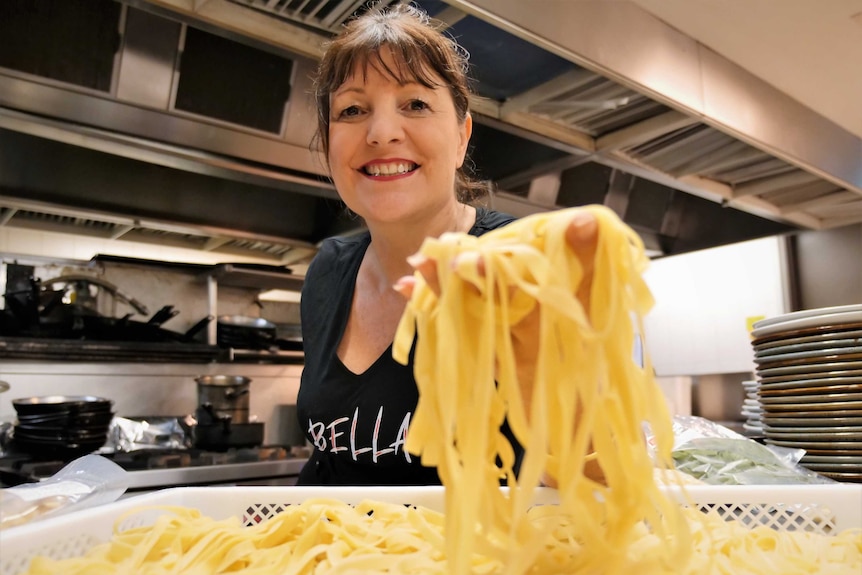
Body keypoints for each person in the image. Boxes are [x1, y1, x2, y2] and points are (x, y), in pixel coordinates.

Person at [296, 4, 598, 486]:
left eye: (415, 104)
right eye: (352, 110)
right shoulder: (328, 272)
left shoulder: (524, 265)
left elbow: (599, 485)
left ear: (461, 136)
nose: (382, 133)